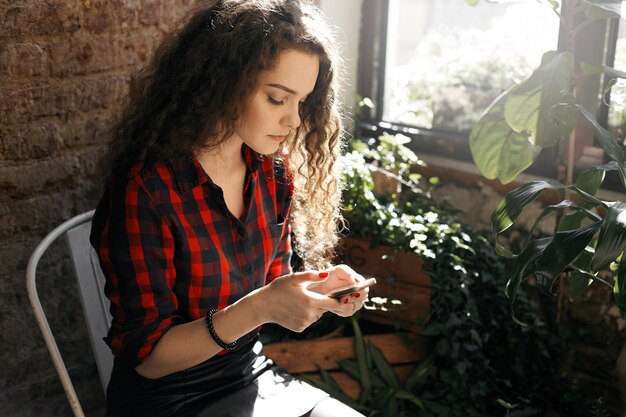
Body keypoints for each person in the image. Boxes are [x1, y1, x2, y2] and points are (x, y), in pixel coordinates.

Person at [89, 1, 368, 416]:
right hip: (170, 400)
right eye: (277, 98)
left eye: (302, 102)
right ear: (223, 83)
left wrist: (321, 289)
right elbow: (148, 359)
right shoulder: (146, 193)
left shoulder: (272, 173)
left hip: (250, 377)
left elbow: (273, 284)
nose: (294, 120)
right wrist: (261, 307)